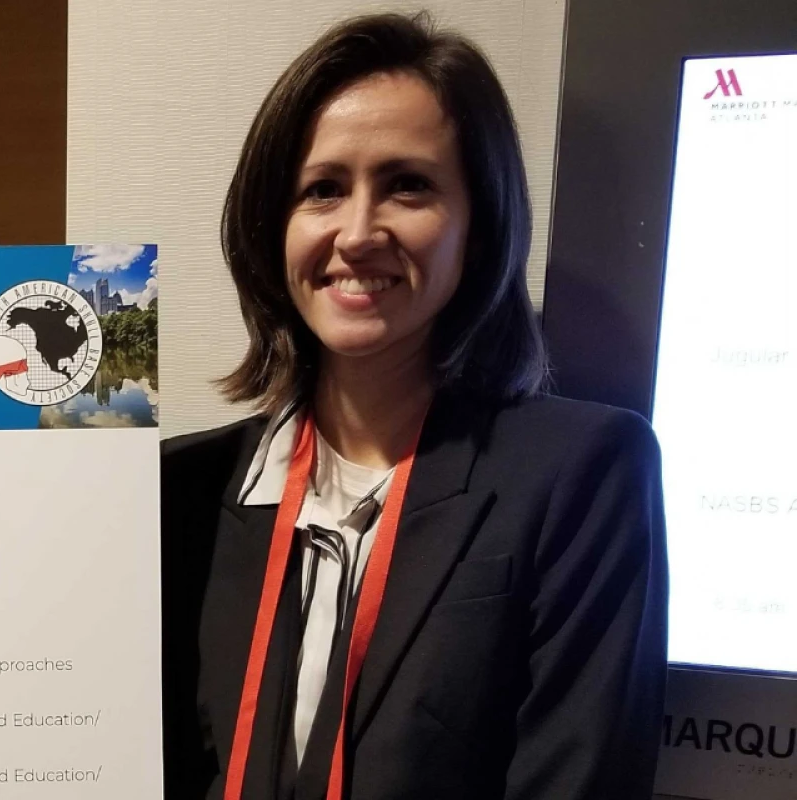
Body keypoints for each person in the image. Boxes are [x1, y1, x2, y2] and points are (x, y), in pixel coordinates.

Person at [160, 11, 668, 800]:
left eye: (408, 186)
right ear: (274, 225)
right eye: (321, 190)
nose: (358, 232)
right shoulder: (179, 490)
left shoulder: (584, 474)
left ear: (480, 222)